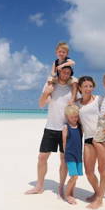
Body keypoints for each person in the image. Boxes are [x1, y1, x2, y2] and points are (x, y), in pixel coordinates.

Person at [25, 66, 74, 196]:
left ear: (71, 74)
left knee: (63, 160)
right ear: (59, 72)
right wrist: (46, 92)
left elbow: (79, 105)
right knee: (42, 157)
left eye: (68, 73)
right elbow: (41, 104)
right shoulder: (51, 85)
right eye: (63, 72)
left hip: (66, 128)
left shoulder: (72, 88)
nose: (65, 74)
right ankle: (39, 186)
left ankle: (61, 187)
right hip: (50, 127)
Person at [75, 76, 105, 209]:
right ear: (80, 88)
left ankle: (100, 199)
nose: (88, 89)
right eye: (85, 86)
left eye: (90, 86)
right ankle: (98, 192)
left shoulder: (99, 100)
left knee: (102, 169)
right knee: (89, 171)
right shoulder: (77, 104)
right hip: (88, 138)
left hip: (103, 136)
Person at [61, 104, 83, 205]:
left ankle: (71, 192)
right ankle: (67, 194)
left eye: (76, 116)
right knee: (73, 175)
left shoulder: (80, 127)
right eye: (72, 117)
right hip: (70, 155)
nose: (74, 118)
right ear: (67, 117)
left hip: (78, 155)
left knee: (76, 176)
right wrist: (65, 155)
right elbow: (64, 143)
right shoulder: (66, 127)